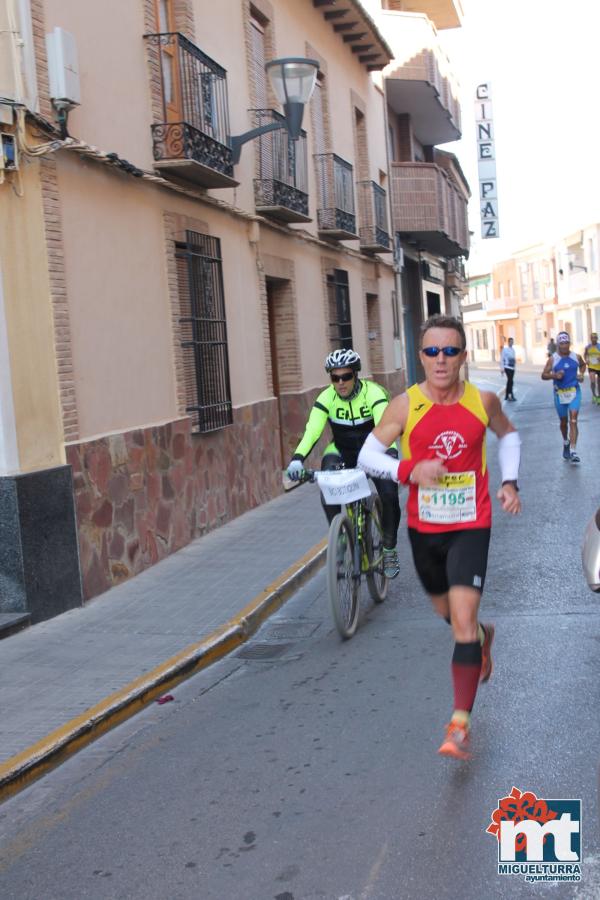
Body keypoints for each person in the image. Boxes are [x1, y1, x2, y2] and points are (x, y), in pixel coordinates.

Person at [357, 314, 521, 760]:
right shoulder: (404, 406)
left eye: (450, 351)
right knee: (444, 611)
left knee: (462, 623)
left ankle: (459, 724)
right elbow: (368, 455)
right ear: (421, 357)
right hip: (424, 528)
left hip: (472, 523)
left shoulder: (481, 401)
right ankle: (483, 639)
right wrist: (410, 470)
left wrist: (510, 482)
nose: (441, 360)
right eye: (432, 351)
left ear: (463, 356)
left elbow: (508, 436)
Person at [287, 348, 401, 578]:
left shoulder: (373, 394)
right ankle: (339, 537)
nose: (340, 382)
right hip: (342, 450)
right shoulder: (326, 398)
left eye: (346, 376)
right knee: (326, 484)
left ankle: (389, 549)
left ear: (356, 375)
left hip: (377, 449)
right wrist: (297, 460)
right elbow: (312, 432)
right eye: (335, 377)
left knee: (389, 495)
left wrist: (382, 457)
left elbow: (384, 427)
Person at [541, 331, 586, 463]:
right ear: (558, 345)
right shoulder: (553, 359)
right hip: (559, 394)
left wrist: (581, 374)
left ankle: (573, 450)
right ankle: (565, 442)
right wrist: (554, 376)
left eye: (567, 343)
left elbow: (583, 365)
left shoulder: (576, 357)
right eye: (562, 343)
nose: (565, 346)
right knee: (563, 422)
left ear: (569, 343)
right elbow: (543, 375)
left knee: (573, 419)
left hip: (574, 392)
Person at [584, 331, 600, 405]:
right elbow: (585, 355)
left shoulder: (599, 346)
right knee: (593, 382)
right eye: (592, 338)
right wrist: (586, 360)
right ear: (590, 339)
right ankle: (594, 395)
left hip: (599, 366)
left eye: (595, 338)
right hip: (591, 366)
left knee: (599, 382)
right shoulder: (588, 347)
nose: (594, 339)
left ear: (597, 338)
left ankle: (599, 396)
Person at [500, 336, 517, 401]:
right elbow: (502, 359)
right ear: (508, 342)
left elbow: (513, 359)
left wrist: (515, 367)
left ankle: (507, 395)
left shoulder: (513, 350)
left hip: (512, 368)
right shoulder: (505, 350)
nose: (512, 343)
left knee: (510, 381)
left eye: (512, 342)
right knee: (510, 381)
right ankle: (511, 395)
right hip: (507, 367)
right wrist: (502, 368)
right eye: (511, 342)